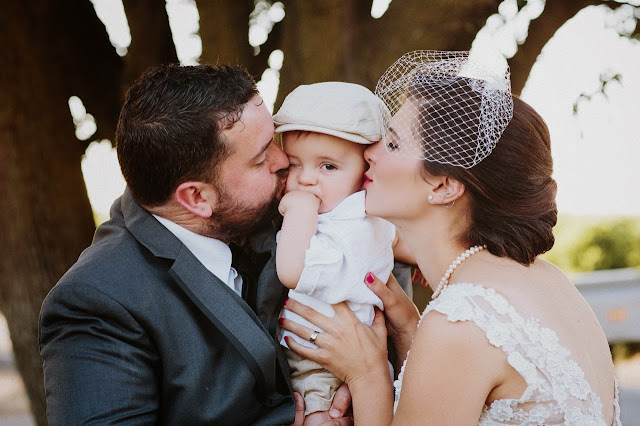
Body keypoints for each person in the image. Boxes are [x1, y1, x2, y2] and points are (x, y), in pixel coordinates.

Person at [280, 51, 622, 425]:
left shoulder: (460, 323)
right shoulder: (546, 279)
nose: (370, 152)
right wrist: (410, 331)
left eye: (391, 144)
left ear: (443, 186)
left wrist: (368, 375)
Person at [38, 64, 352, 425]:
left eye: (275, 141)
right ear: (196, 198)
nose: (285, 162)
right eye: (262, 157)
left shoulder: (284, 213)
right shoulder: (98, 301)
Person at [272, 82, 411, 425]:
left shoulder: (324, 219)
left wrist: (299, 211)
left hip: (318, 364)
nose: (305, 180)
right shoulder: (361, 214)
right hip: (331, 347)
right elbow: (395, 241)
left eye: (328, 167)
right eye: (293, 164)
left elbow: (291, 270)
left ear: (366, 171)